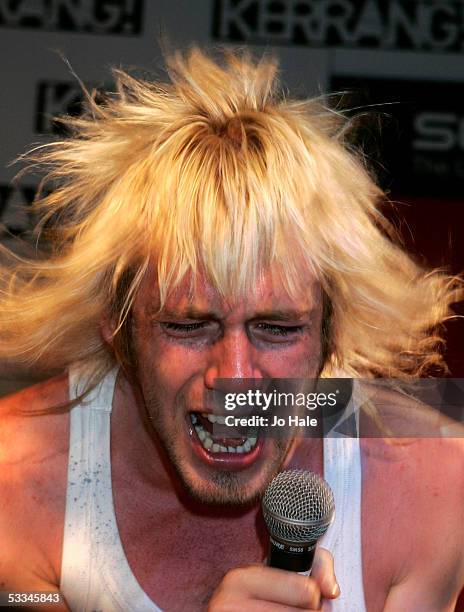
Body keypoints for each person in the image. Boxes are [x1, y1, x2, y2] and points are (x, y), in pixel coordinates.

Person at [0, 47, 463, 612]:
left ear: (331, 332)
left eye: (275, 327)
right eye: (189, 325)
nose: (236, 377)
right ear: (117, 328)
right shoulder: (16, 484)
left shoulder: (430, 484)